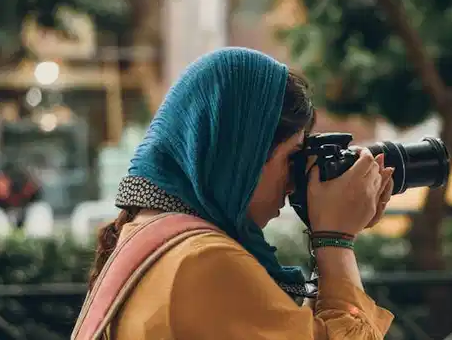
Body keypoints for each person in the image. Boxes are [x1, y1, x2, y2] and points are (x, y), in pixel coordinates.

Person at [77, 48, 395, 339]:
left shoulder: (148, 240)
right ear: (242, 156)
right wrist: (336, 240)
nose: (293, 182)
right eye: (292, 158)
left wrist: (327, 231)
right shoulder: (203, 261)